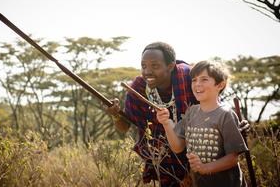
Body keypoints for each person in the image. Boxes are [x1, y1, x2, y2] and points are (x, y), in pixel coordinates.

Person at [107, 42, 250, 187]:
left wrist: (235, 123)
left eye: (155, 66)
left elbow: (216, 107)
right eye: (144, 66)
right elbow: (125, 127)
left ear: (170, 66)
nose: (147, 71)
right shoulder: (138, 88)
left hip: (211, 165)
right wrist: (116, 114)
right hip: (166, 163)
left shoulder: (190, 78)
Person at [156, 60, 248, 187]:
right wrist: (166, 123)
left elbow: (233, 158)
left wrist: (205, 168)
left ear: (220, 85)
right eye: (194, 80)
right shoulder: (191, 113)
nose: (197, 84)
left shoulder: (225, 115)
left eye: (204, 79)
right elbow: (178, 147)